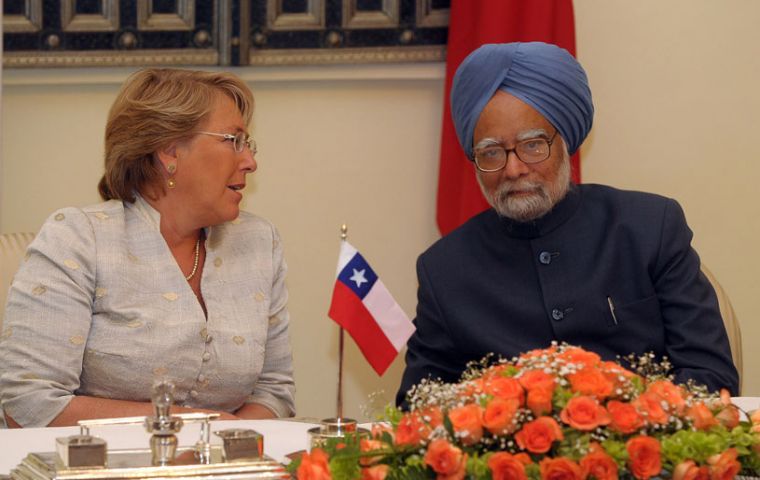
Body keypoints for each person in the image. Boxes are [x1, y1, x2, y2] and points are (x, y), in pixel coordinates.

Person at [397, 42, 739, 405]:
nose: (513, 169)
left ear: (566, 143)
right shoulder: (444, 269)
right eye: (492, 152)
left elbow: (708, 373)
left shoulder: (650, 228)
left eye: (532, 145)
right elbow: (418, 406)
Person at [0, 68, 295, 427]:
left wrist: (219, 451)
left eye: (248, 144)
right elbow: (28, 405)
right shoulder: (78, 238)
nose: (250, 161)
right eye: (233, 140)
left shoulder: (259, 241)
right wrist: (195, 428)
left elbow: (274, 392)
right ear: (169, 151)